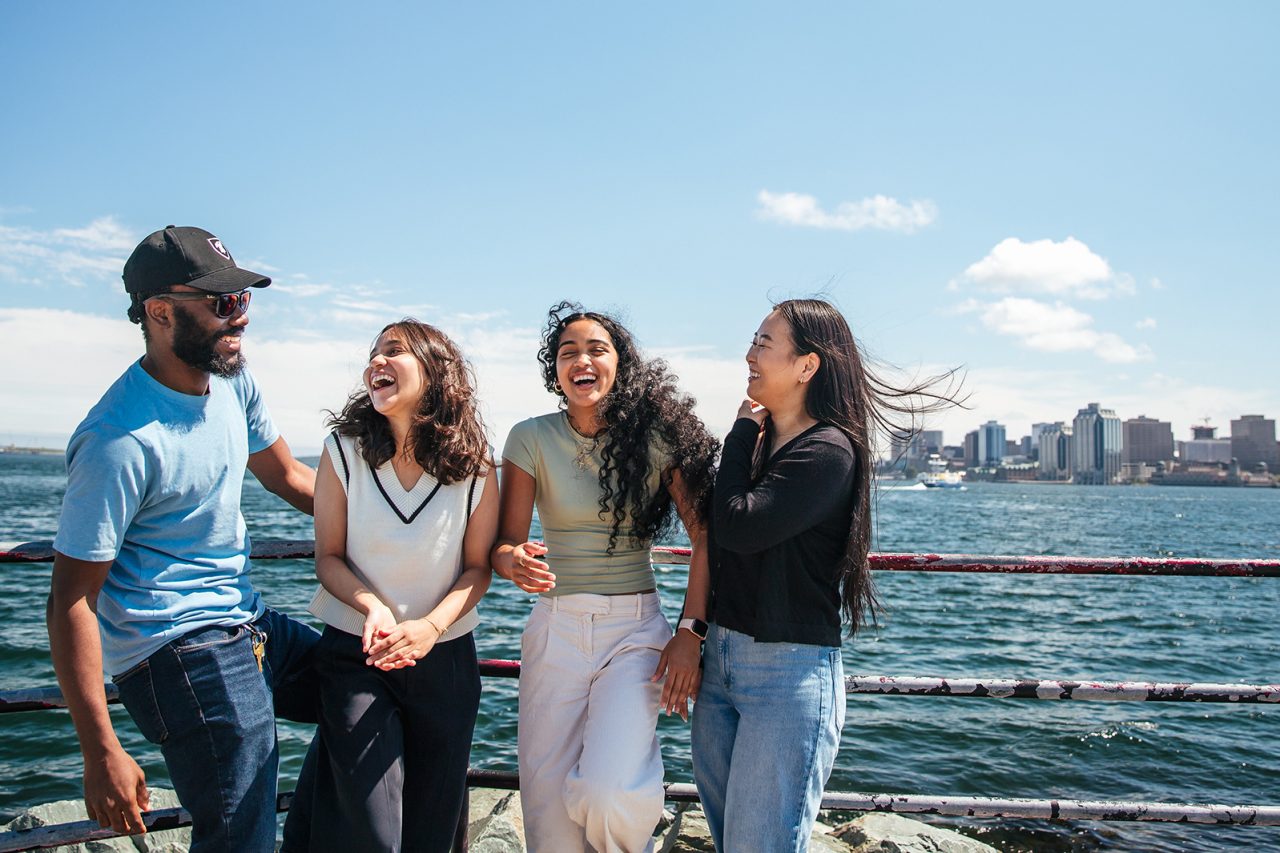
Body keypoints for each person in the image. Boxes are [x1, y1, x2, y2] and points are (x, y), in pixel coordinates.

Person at [46, 225, 321, 852]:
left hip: (245, 621)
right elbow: (70, 602)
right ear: (160, 312)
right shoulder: (118, 440)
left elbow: (290, 477)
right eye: (222, 303)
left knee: (367, 688)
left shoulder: (231, 380)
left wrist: (417, 532)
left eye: (244, 300)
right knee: (241, 831)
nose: (241, 318)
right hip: (174, 646)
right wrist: (100, 751)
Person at [685, 298, 957, 852]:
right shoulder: (766, 449)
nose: (749, 355)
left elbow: (735, 525)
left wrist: (739, 428)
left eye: (764, 344)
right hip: (722, 666)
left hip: (788, 678)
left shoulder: (828, 449)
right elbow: (718, 535)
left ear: (807, 366)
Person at [492, 301, 718, 853]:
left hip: (635, 634)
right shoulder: (528, 438)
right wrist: (512, 561)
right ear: (555, 371)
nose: (582, 360)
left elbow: (706, 535)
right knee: (547, 819)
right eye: (568, 352)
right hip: (556, 630)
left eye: (597, 349)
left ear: (621, 364)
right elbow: (504, 543)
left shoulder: (657, 438)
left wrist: (690, 633)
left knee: (608, 791)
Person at [297, 320, 499, 852]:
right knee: (370, 831)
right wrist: (373, 609)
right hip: (357, 655)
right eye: (373, 354)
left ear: (435, 371)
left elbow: (478, 569)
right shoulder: (341, 450)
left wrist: (431, 627)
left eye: (394, 351)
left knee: (432, 834)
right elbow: (329, 558)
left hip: (447, 660)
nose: (376, 363)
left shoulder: (476, 464)